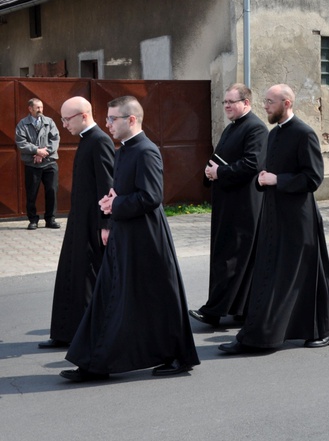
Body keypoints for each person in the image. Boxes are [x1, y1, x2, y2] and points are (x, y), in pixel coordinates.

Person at [62, 96, 199, 381]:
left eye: (113, 119)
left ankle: (178, 357)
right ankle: (94, 362)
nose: (108, 124)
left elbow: (151, 197)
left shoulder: (146, 150)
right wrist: (114, 200)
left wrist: (117, 205)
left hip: (146, 237)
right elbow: (128, 190)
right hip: (125, 232)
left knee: (158, 297)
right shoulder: (124, 150)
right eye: (108, 118)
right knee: (108, 295)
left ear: (131, 120)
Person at [219, 84, 329, 353]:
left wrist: (278, 180)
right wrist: (265, 181)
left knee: (306, 275)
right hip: (274, 213)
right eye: (264, 101)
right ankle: (265, 332)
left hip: (299, 218)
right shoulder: (274, 134)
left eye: (270, 102)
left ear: (287, 103)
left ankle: (323, 329)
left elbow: (313, 178)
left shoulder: (304, 133)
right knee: (273, 273)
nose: (265, 106)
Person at [189, 84, 268, 326]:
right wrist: (209, 172)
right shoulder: (232, 128)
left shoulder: (256, 128)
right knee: (230, 255)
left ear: (246, 103)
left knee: (232, 258)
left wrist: (220, 172)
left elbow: (253, 164)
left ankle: (214, 311)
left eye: (231, 102)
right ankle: (240, 310)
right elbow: (219, 157)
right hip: (227, 202)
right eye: (224, 102)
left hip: (243, 204)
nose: (226, 106)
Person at [40, 97, 115, 349]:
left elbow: (107, 184)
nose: (63, 125)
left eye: (66, 119)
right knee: (70, 274)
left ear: (84, 116)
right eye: (61, 119)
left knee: (86, 278)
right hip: (78, 219)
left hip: (93, 223)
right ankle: (65, 332)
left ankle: (84, 335)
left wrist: (106, 224)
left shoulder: (100, 140)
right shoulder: (86, 140)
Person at [15, 98, 60, 230]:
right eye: (37, 108)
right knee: (32, 193)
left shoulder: (49, 122)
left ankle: (50, 219)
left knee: (52, 191)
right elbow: (21, 142)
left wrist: (44, 152)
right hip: (32, 164)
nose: (40, 110)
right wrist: (36, 150)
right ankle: (33, 220)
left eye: (41, 107)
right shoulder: (23, 124)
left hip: (49, 162)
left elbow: (55, 138)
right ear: (30, 109)